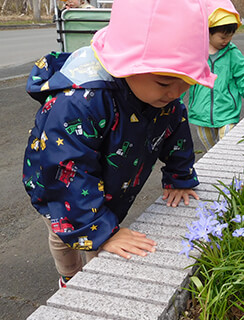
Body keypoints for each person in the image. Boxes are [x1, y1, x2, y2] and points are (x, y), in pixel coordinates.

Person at [22, 0, 216, 288]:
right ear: (125, 63)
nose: (176, 93)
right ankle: (70, 278)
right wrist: (102, 232)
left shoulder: (162, 98)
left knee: (99, 242)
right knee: (64, 235)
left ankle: (94, 269)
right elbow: (66, 172)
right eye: (165, 82)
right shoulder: (79, 103)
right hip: (58, 188)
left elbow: (175, 133)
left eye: (187, 82)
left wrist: (180, 177)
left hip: (112, 185)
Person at [184, 0, 244, 150]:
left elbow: (243, 74)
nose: (227, 41)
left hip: (227, 111)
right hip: (201, 112)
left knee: (226, 142)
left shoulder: (232, 53)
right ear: (208, 32)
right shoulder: (197, 53)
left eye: (230, 36)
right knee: (212, 149)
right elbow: (183, 76)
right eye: (223, 37)